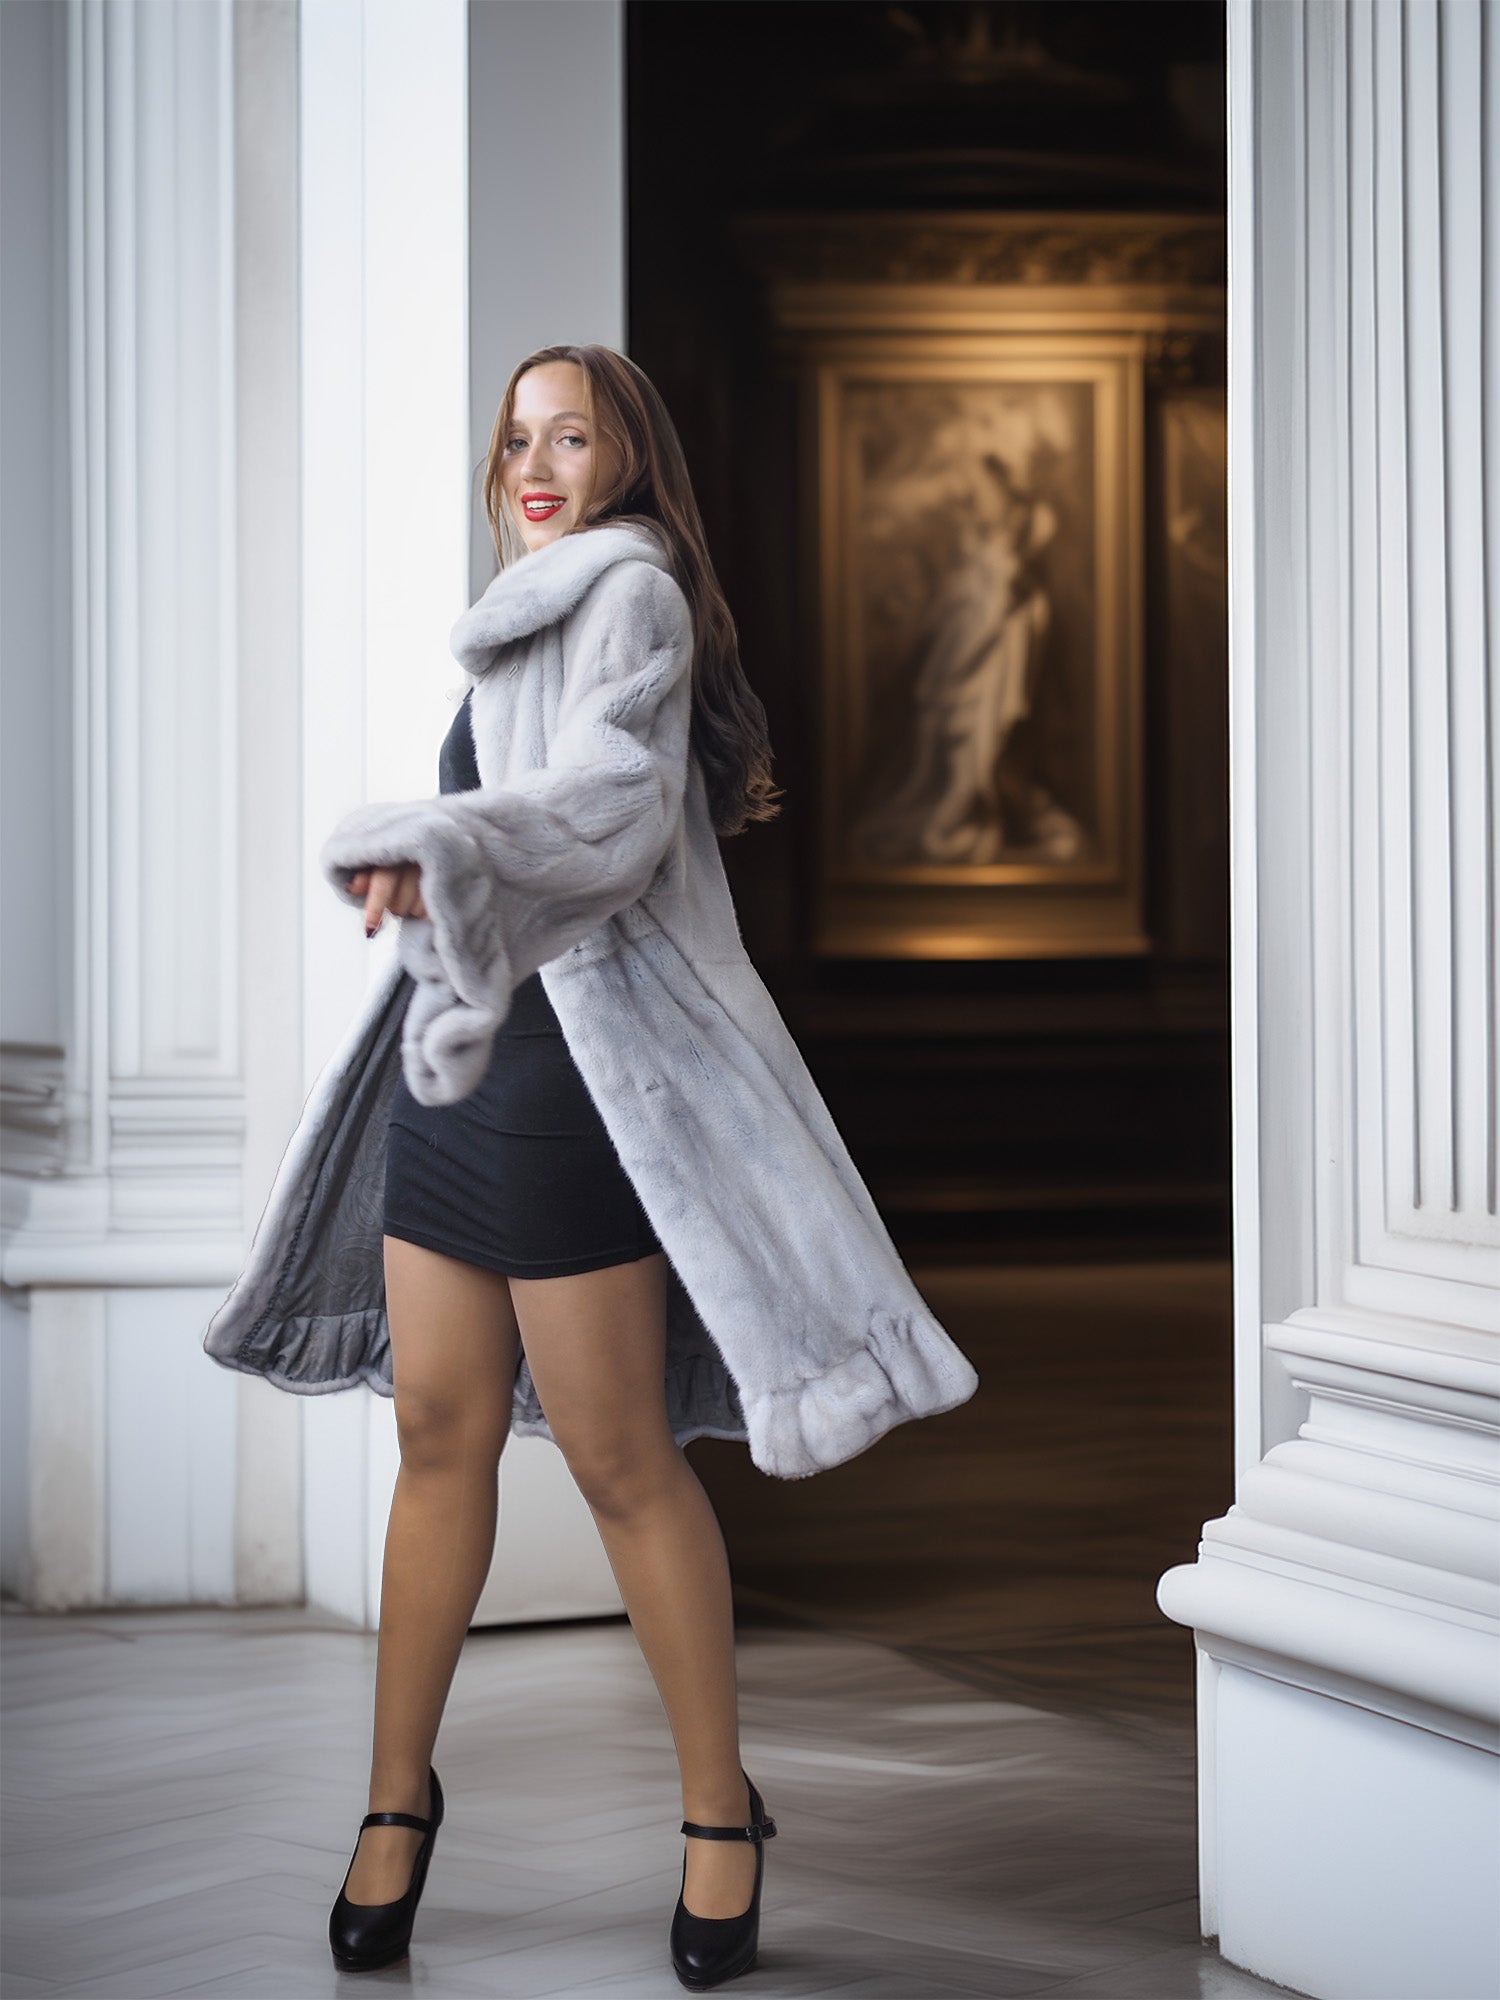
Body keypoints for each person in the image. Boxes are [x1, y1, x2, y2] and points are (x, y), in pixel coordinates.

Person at [203, 342, 980, 1989]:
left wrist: (439, 845)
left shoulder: (630, 595)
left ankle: (718, 1818)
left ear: (629, 461)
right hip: (461, 1073)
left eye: (571, 435)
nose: (536, 463)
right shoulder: (529, 605)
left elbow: (610, 813)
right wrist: (433, 886)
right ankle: (394, 1804)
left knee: (622, 1460)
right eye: (515, 439)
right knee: (436, 1434)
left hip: (581, 1081)